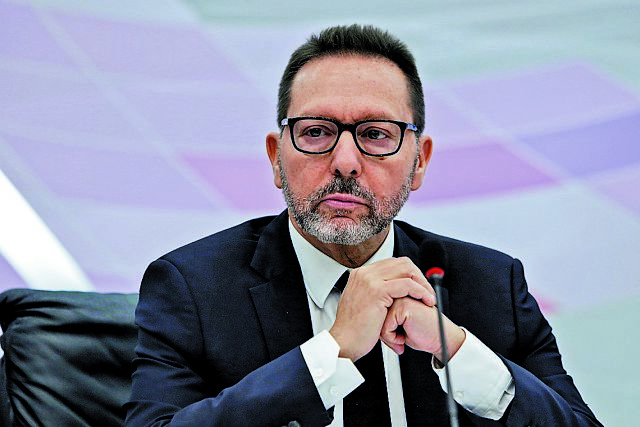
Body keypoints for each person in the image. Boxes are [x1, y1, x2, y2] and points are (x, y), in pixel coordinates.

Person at [124, 24, 602, 426]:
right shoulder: (193, 288)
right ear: (275, 158)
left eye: (375, 134)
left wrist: (456, 350)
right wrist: (330, 354)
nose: (346, 162)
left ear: (419, 162)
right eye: (316, 132)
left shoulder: (492, 286)